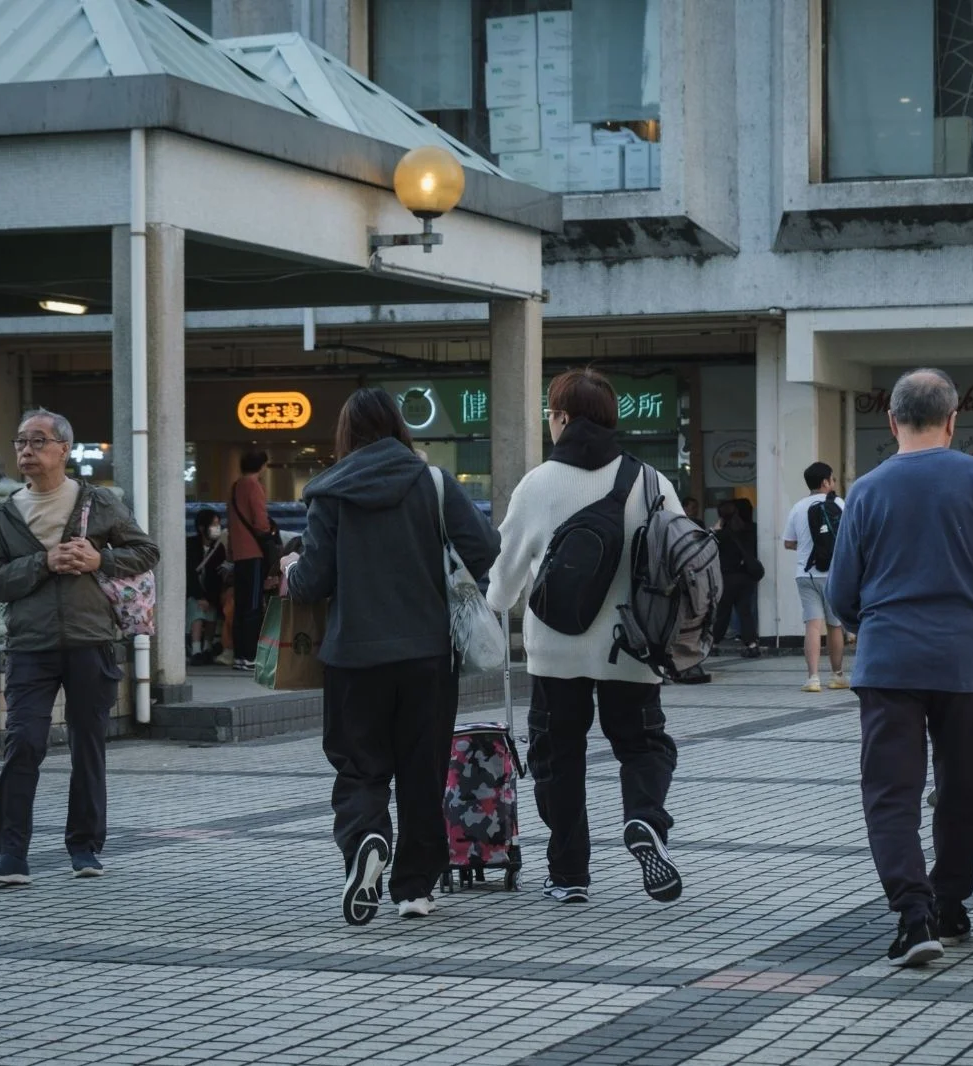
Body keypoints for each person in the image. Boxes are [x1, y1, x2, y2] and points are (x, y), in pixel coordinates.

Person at [826, 369, 973, 968]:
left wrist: (867, 621)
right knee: (960, 782)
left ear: (892, 421)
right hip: (964, 660)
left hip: (889, 660)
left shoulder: (868, 488)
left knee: (891, 790)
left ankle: (912, 914)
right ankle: (951, 903)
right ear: (953, 421)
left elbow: (841, 594)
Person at [283, 388, 499, 925]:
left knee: (360, 767)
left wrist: (290, 570)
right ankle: (414, 889)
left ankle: (367, 837)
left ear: (346, 434)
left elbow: (311, 582)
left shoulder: (328, 493)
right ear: (399, 426)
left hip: (354, 657)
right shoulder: (433, 483)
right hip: (427, 654)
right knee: (422, 772)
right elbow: (486, 548)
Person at [485, 369, 684, 906]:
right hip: (633, 646)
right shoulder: (651, 482)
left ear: (564, 419)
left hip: (555, 649)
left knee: (559, 756)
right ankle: (644, 820)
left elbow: (501, 581)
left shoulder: (538, 484)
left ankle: (569, 874)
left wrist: (497, 606)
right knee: (643, 744)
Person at [0, 409, 159, 885]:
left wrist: (102, 558)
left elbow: (146, 550)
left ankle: (85, 848)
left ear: (63, 449)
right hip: (29, 647)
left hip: (90, 640)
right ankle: (10, 856)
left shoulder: (97, 502)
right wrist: (43, 563)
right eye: (20, 442)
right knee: (24, 742)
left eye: (38, 441)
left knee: (88, 746)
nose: (26, 451)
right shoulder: (6, 512)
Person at [784, 462, 848, 693]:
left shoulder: (798, 507)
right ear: (825, 483)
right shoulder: (839, 504)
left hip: (806, 574)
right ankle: (837, 675)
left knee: (812, 625)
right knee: (835, 625)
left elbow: (788, 542)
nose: (834, 483)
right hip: (833, 573)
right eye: (832, 479)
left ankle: (812, 678)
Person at [228, 449, 274, 671]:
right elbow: (260, 520)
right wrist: (268, 534)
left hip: (238, 552)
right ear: (262, 466)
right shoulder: (254, 486)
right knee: (254, 606)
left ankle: (239, 655)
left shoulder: (236, 486)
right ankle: (249, 655)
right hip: (253, 552)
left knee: (241, 605)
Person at [712, 499, 761, 659]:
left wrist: (715, 528)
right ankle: (752, 645)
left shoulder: (720, 534)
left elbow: (708, 546)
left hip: (727, 578)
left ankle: (713, 644)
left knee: (723, 613)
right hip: (746, 577)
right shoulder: (750, 529)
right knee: (745, 611)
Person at [185, 508, 228, 665]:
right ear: (202, 527)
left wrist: (209, 599)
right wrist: (200, 597)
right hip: (193, 593)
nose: (218, 528)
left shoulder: (219, 549)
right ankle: (197, 650)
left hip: (211, 595)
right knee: (197, 608)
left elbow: (217, 578)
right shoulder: (190, 545)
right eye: (214, 524)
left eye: (219, 524)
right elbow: (189, 574)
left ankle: (207, 649)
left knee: (211, 610)